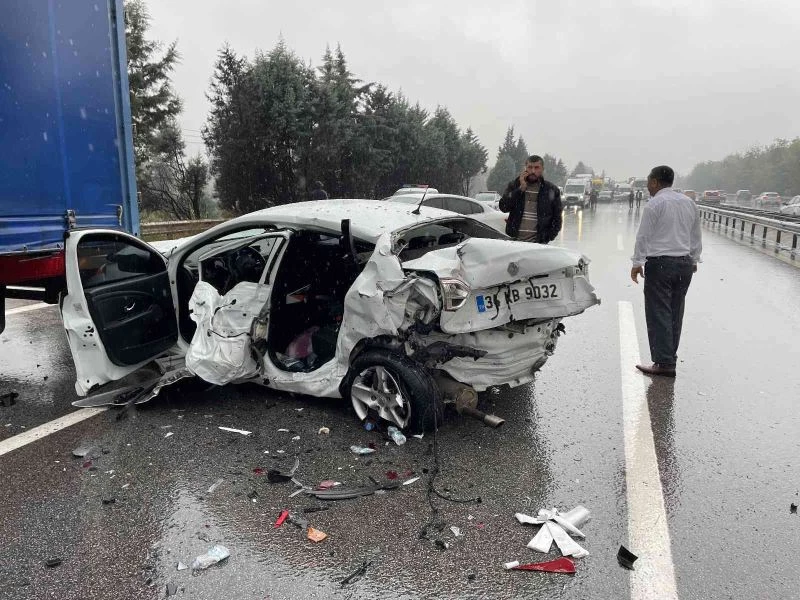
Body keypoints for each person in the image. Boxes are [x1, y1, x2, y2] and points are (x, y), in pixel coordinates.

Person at [630, 165, 702, 377]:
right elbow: (695, 234)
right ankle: (670, 358)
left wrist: (637, 262)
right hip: (684, 264)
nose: (647, 186)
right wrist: (694, 258)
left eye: (648, 181)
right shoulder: (689, 203)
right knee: (675, 312)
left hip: (660, 264)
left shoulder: (655, 204)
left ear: (654, 182)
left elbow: (643, 236)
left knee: (659, 312)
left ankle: (664, 363)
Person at [499, 155, 563, 244]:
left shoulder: (551, 190)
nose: (533, 171)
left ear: (542, 169)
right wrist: (520, 190)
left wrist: (547, 237)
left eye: (536, 167)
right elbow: (503, 207)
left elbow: (557, 218)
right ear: (525, 168)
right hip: (514, 243)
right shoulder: (514, 185)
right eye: (530, 167)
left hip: (538, 245)